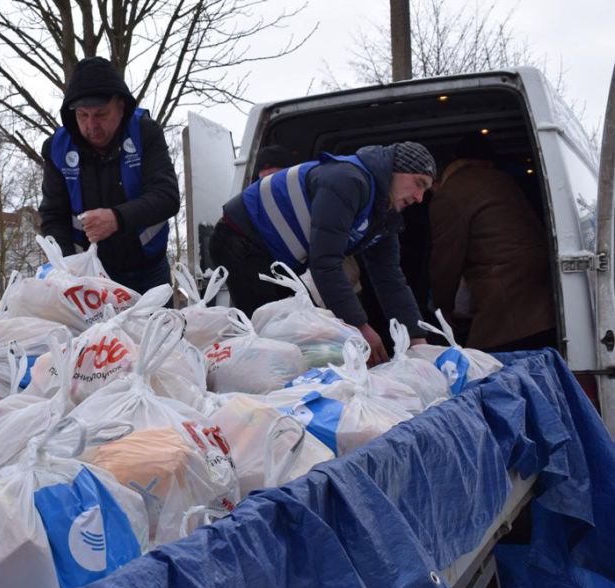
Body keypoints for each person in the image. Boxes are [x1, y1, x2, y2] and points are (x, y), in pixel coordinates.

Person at [209, 142, 437, 364]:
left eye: (425, 190)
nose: (419, 197)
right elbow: (326, 263)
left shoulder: (384, 213)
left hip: (276, 257)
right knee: (273, 340)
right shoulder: (347, 181)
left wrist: (417, 340)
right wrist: (360, 327)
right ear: (393, 170)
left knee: (298, 333)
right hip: (241, 242)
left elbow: (390, 278)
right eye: (418, 184)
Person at [39, 57, 180, 293]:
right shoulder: (57, 149)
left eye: (101, 114)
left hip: (149, 270)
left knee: (157, 319)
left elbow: (167, 196)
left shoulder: (145, 133)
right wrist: (66, 267)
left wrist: (117, 218)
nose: (91, 125)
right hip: (89, 276)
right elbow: (53, 216)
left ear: (121, 107)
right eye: (82, 115)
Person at [429, 133, 556, 352]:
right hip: (542, 294)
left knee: (490, 361)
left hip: (505, 296)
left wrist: (442, 310)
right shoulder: (503, 180)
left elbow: (446, 261)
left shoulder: (450, 194)